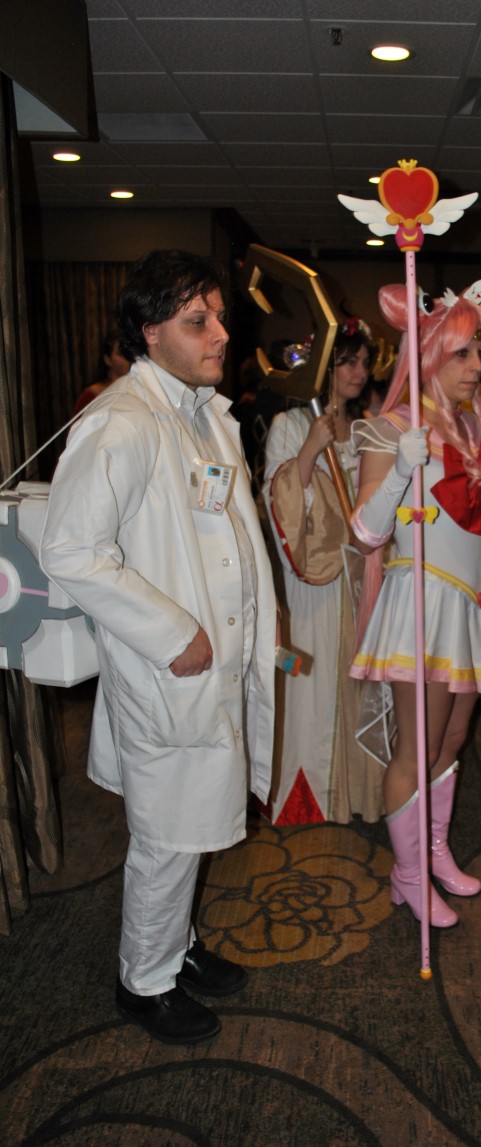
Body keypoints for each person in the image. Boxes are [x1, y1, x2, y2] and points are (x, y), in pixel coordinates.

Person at [40, 249, 277, 1045]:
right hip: (170, 665)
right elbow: (71, 551)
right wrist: (173, 633)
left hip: (212, 664)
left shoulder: (201, 410)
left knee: (192, 818)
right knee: (168, 834)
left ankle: (176, 944)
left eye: (219, 317)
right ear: (149, 331)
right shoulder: (122, 421)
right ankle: (144, 980)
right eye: (196, 320)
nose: (220, 334)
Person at [349, 280, 481, 928]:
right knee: (417, 747)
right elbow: (364, 534)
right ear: (429, 354)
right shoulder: (392, 428)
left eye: (480, 351)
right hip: (423, 602)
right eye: (463, 352)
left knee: (453, 737)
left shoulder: (475, 426)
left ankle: (432, 853)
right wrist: (401, 471)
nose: (477, 365)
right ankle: (407, 875)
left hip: (472, 602)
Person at [263, 318, 384, 824]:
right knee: (311, 682)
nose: (359, 372)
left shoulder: (368, 428)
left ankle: (358, 793)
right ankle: (308, 792)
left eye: (364, 362)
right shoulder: (289, 426)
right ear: (323, 368)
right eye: (347, 362)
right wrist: (311, 449)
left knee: (361, 681)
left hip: (364, 575)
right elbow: (280, 507)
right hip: (313, 576)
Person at [72, 330, 130, 415]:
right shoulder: (92, 395)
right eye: (121, 354)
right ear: (107, 359)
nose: (127, 359)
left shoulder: (137, 389)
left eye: (129, 353)